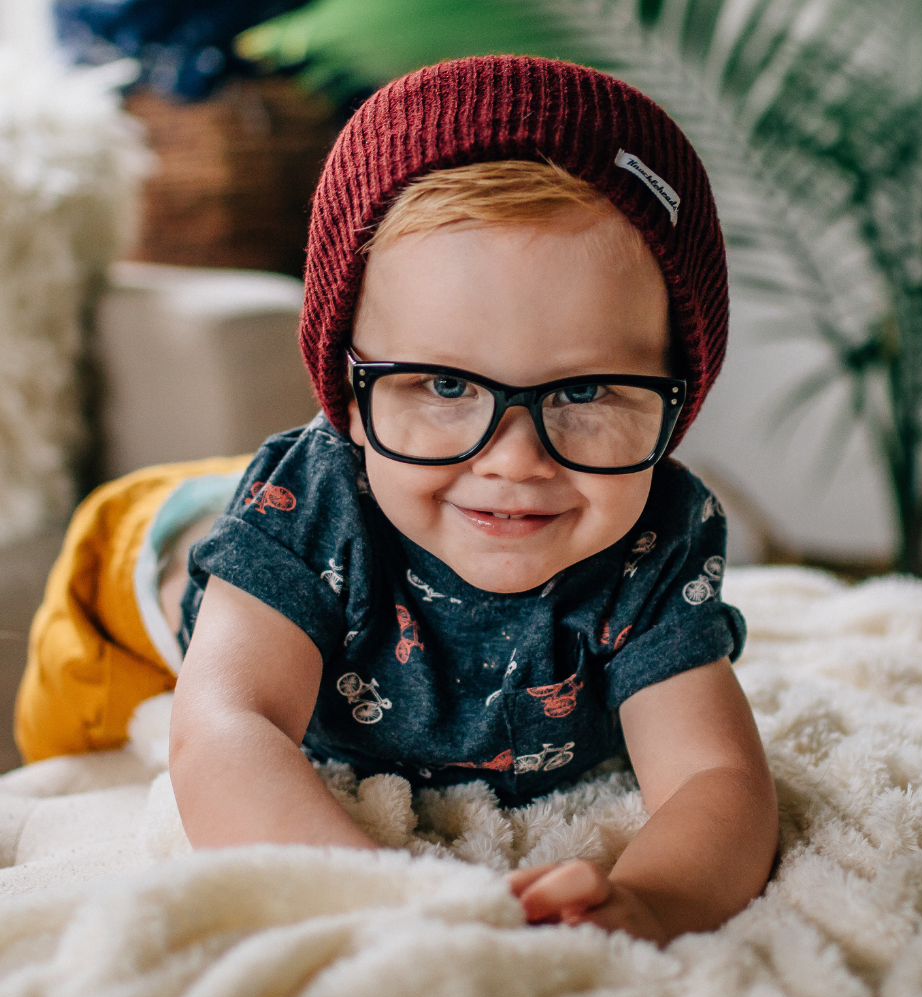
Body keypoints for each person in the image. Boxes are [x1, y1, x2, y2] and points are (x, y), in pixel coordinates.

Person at [21, 54, 778, 947]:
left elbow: (716, 779)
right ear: (346, 392)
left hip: (399, 482)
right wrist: (386, 901)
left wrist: (652, 901)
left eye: (585, 391)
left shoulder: (658, 537)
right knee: (77, 730)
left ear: (678, 397)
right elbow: (225, 729)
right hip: (145, 575)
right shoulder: (313, 502)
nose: (514, 459)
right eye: (444, 384)